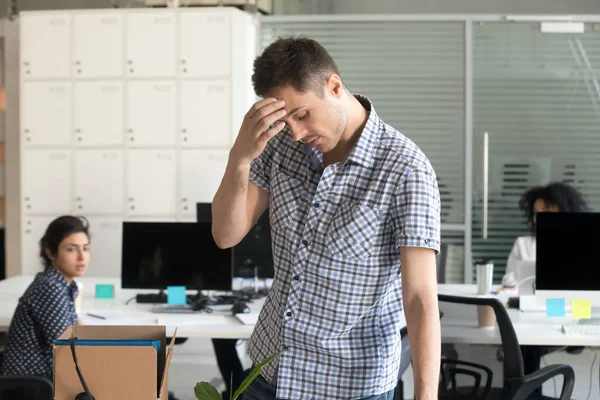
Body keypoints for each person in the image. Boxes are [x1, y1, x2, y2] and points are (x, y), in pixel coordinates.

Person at [211, 37, 441, 400]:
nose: (297, 133)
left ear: (334, 86)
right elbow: (225, 235)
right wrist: (240, 158)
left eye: (302, 115)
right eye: (286, 122)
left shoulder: (405, 170)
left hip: (350, 386)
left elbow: (419, 299)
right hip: (270, 372)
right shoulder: (280, 148)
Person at [0, 215, 90, 378]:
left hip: (45, 378)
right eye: (71, 249)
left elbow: (74, 328)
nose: (81, 257)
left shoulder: (65, 285)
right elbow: (67, 349)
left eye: (85, 248)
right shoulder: (50, 287)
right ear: (50, 252)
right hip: (33, 382)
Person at [502, 182, 589, 287]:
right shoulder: (523, 244)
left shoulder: (588, 244)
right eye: (535, 213)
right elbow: (508, 281)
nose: (538, 218)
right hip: (533, 300)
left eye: (545, 212)